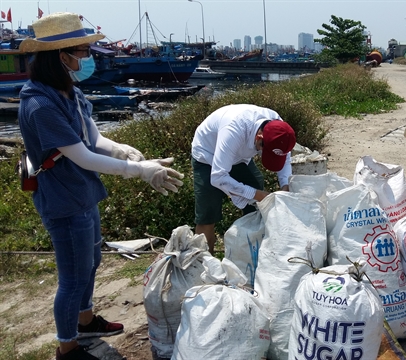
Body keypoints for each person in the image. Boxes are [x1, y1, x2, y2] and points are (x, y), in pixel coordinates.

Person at [18, 13, 184, 360]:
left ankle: (86, 319)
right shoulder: (40, 104)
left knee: (90, 261)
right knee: (72, 277)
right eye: (84, 51)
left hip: (83, 194)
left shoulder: (68, 92)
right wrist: (137, 171)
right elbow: (82, 157)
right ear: (63, 56)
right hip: (63, 201)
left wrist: (124, 151)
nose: (89, 58)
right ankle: (67, 346)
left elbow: (93, 139)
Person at [191, 104, 296, 252]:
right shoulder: (234, 129)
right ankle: (202, 265)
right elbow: (218, 177)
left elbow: (284, 159)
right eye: (262, 149)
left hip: (239, 157)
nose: (260, 153)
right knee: (208, 213)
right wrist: (256, 194)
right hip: (208, 155)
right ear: (259, 137)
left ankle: (250, 254)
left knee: (256, 202)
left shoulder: (280, 130)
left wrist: (285, 186)